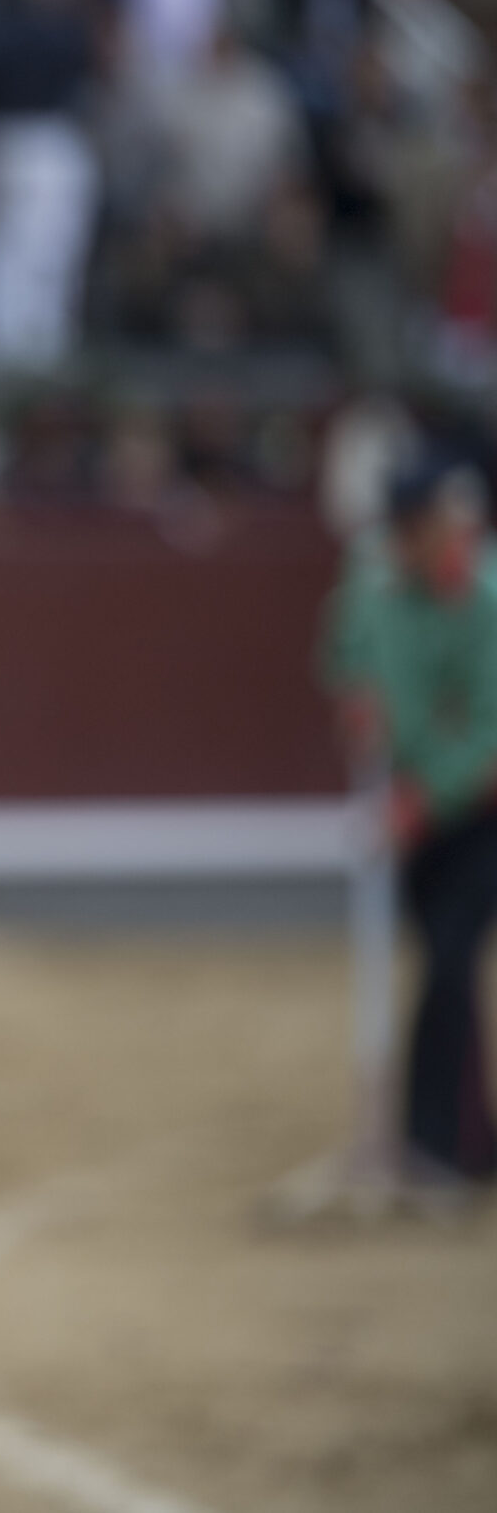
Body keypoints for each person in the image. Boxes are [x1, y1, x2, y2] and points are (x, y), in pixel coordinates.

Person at [328, 454, 497, 1184]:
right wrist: (358, 693)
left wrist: (421, 800)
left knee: (449, 957)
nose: (410, 541)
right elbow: (346, 653)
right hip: (417, 803)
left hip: (480, 812)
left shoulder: (487, 598)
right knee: (441, 958)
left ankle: (439, 1143)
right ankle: (456, 1140)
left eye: (421, 527)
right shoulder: (373, 578)